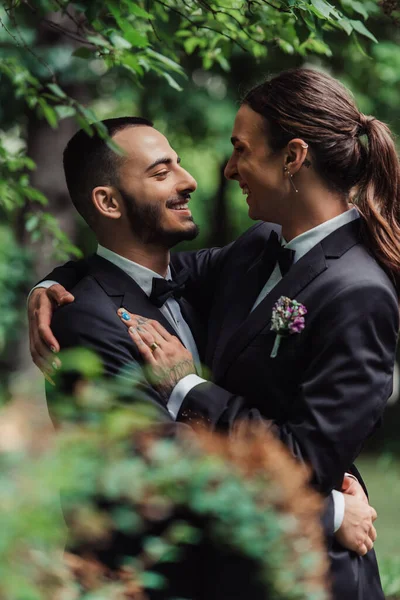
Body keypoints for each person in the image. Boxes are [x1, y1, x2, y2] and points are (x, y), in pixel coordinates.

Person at [27, 74, 387, 597]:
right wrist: (331, 511)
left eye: (241, 149)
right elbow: (168, 469)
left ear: (294, 158)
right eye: (161, 170)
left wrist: (187, 385)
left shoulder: (331, 279)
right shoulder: (87, 319)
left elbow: (307, 450)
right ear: (109, 202)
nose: (200, 176)